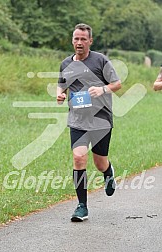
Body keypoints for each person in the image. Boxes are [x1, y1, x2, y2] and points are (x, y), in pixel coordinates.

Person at [57, 23, 121, 222]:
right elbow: (61, 86)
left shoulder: (100, 61)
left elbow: (117, 84)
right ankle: (82, 206)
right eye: (76, 38)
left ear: (90, 41)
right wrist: (59, 95)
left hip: (101, 120)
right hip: (77, 121)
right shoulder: (65, 64)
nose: (79, 42)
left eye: (83, 39)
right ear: (72, 40)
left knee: (99, 162)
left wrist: (102, 90)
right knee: (78, 159)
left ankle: (108, 172)